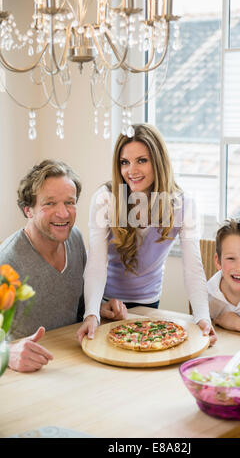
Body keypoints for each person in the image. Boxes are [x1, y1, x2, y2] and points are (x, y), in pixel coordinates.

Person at [77, 123, 217, 345]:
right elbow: (95, 264)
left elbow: (193, 269)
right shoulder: (105, 198)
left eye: (142, 160)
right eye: (125, 162)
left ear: (158, 162)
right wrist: (91, 312)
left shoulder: (183, 204)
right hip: (104, 302)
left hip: (148, 302)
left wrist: (202, 317)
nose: (131, 171)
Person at [0, 160, 124, 373]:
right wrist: (7, 354)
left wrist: (98, 308)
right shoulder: (8, 262)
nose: (64, 213)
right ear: (28, 210)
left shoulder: (74, 239)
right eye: (49, 203)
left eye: (69, 202)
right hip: (23, 376)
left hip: (70, 362)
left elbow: (75, 302)